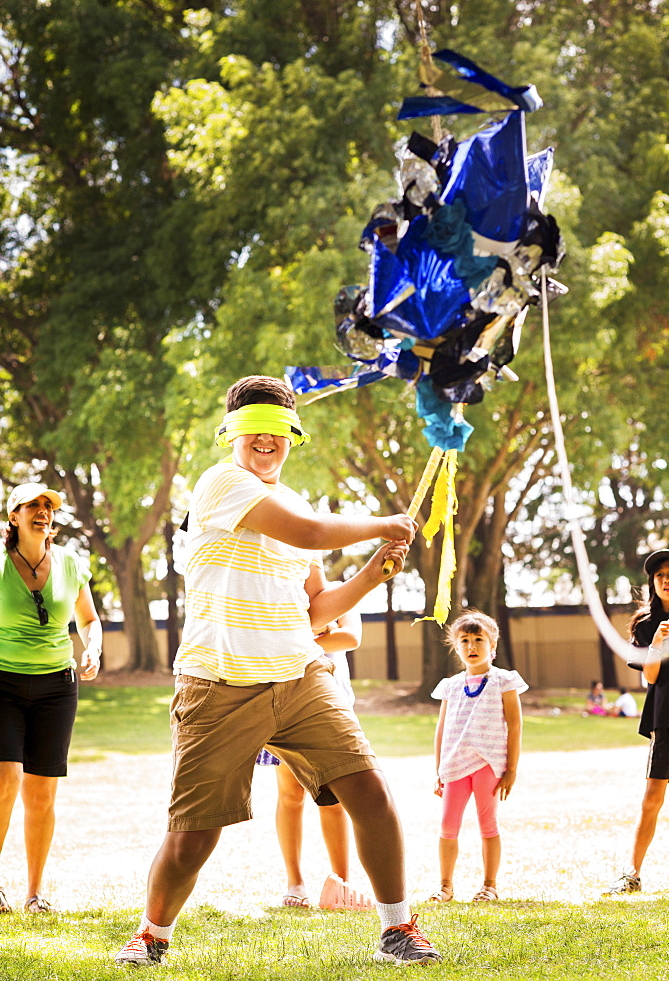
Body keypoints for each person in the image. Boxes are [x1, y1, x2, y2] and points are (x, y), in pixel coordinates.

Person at [115, 375, 441, 967]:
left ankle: (397, 928)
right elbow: (313, 534)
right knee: (194, 835)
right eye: (251, 430)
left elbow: (316, 608)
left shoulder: (296, 504)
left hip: (299, 674)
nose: (265, 441)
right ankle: (151, 934)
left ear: (293, 437)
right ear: (230, 436)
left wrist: (369, 574)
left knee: (368, 790)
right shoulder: (221, 483)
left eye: (277, 431)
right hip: (219, 683)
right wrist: (382, 523)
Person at [0, 482, 102, 914]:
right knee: (6, 779)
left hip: (57, 688)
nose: (43, 512)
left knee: (42, 793)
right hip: (2, 682)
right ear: (14, 517)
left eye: (49, 506)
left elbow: (89, 618)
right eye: (33, 506)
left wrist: (92, 647)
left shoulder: (71, 562)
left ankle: (35, 893)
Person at [262, 602, 373, 910]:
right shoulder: (283, 591)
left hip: (331, 708)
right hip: (285, 705)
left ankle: (341, 883)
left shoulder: (340, 595)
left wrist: (293, 638)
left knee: (335, 799)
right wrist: (318, 634)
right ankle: (295, 883)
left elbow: (350, 637)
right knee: (290, 796)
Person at [429, 610, 528, 903]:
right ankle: (445, 886)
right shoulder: (450, 685)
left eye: (478, 640)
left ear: (492, 647)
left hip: (489, 763)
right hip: (455, 765)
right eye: (465, 640)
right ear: (456, 647)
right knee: (448, 825)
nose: (472, 646)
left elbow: (515, 724)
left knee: (488, 824)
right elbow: (441, 729)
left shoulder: (504, 681)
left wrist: (511, 769)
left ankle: (489, 885)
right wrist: (438, 769)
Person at [604, 549, 669, 896]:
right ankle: (632, 874)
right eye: (660, 575)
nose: (666, 580)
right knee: (652, 798)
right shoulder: (646, 625)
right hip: (666, 718)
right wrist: (658, 642)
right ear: (652, 582)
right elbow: (651, 677)